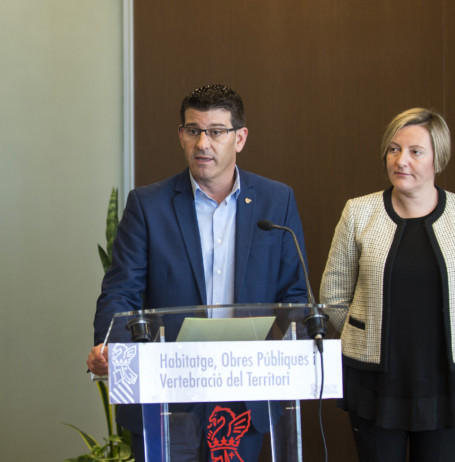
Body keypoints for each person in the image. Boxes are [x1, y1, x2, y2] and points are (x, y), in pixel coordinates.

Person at [87, 84, 308, 462]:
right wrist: (113, 348)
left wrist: (297, 346)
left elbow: (294, 294)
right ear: (181, 135)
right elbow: (121, 292)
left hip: (244, 392)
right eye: (193, 131)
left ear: (240, 138)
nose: (203, 143)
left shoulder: (276, 201)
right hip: (167, 392)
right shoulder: (148, 205)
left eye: (216, 132)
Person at [320, 108, 455, 462]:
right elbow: (334, 296)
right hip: (374, 382)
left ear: (438, 159)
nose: (401, 161)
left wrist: (454, 335)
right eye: (394, 149)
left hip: (444, 381)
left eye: (415, 151)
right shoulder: (358, 212)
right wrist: (364, 335)